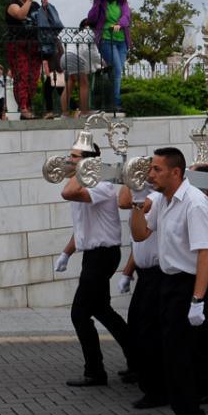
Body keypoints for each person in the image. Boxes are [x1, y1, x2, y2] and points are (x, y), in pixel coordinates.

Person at [127, 147, 208, 415]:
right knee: (173, 353)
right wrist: (137, 206)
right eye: (151, 169)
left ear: (176, 172)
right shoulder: (163, 202)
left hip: (188, 285)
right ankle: (207, 405)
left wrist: (198, 300)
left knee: (181, 358)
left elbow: (206, 252)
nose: (150, 174)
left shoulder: (194, 203)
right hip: (167, 283)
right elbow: (140, 234)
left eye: (156, 170)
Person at [59, 138, 134, 387]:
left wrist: (84, 170)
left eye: (75, 156)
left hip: (103, 255)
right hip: (93, 254)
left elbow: (68, 192)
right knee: (103, 311)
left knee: (79, 314)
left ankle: (95, 371)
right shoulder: (87, 182)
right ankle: (138, 360)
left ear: (89, 162)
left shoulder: (101, 185)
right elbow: (82, 228)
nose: (69, 160)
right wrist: (67, 253)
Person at [119, 192, 168, 408]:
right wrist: (127, 273)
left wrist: (135, 194)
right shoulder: (140, 200)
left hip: (158, 274)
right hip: (144, 274)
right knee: (137, 326)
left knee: (150, 332)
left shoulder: (155, 199)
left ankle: (156, 389)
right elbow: (136, 244)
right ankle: (144, 375)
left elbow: (124, 203)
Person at [5, 0, 47, 119]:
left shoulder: (35, 5)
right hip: (17, 45)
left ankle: (28, 106)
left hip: (34, 45)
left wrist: (45, 7)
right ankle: (22, 107)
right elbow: (20, 15)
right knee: (22, 76)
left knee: (33, 78)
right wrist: (30, 1)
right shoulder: (12, 4)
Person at [87, 0, 131, 111]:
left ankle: (107, 99)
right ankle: (115, 103)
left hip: (121, 41)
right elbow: (91, 18)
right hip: (106, 40)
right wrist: (97, 0)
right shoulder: (101, 2)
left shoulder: (122, 2)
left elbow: (126, 17)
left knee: (115, 72)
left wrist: (119, 24)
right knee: (117, 70)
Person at [61, 19, 104, 117]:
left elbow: (84, 53)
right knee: (84, 83)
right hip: (73, 58)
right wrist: (103, 62)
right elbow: (91, 52)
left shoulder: (79, 34)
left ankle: (64, 113)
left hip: (65, 57)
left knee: (69, 84)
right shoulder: (89, 33)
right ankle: (84, 112)